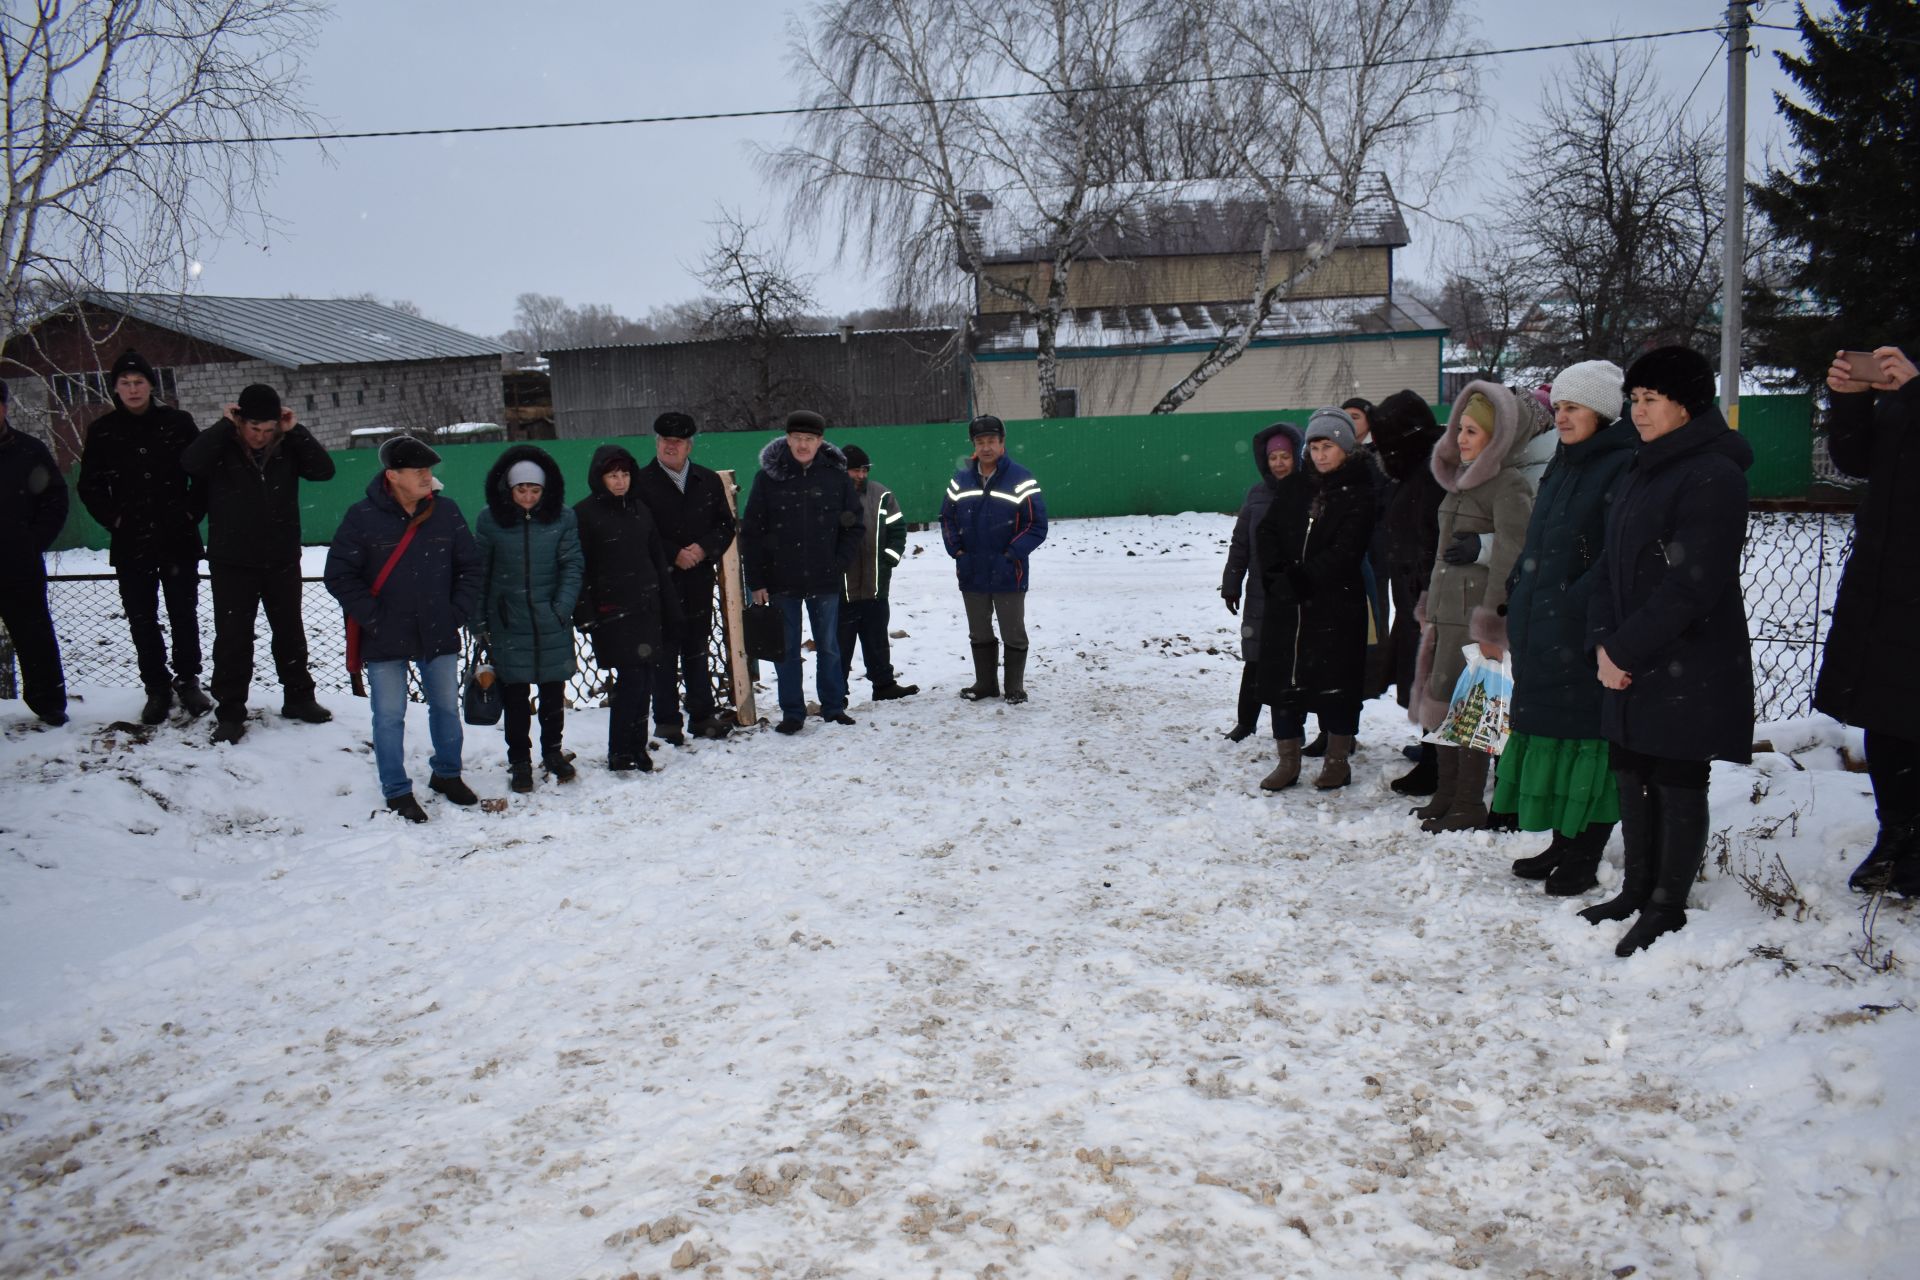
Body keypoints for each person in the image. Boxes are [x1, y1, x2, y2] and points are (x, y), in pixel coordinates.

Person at [1584, 345, 1754, 956]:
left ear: (1687, 404)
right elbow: (1609, 563)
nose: (1639, 412)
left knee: (1679, 773)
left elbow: (1694, 583)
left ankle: (1667, 904)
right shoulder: (1643, 467)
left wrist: (1624, 649)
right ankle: (1636, 888)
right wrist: (1605, 643)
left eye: (1651, 400)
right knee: (1632, 765)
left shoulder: (1713, 474)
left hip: (1688, 657)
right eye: (1634, 400)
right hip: (1632, 655)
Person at [1491, 360, 1635, 893]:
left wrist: (1575, 603)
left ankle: (1586, 848)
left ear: (1601, 411)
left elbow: (1614, 554)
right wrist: (1519, 582)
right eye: (1560, 408)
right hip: (1541, 621)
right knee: (1549, 734)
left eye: (1573, 409)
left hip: (1578, 629)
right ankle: (1561, 839)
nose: (1563, 417)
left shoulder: (1620, 464)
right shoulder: (1564, 462)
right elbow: (1540, 537)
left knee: (1586, 743)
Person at [324, 435, 483, 823]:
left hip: (438, 628)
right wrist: (375, 618)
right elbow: (340, 575)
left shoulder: (446, 513)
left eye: (429, 471)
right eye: (420, 472)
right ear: (393, 476)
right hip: (384, 634)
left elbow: (472, 568)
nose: (429, 477)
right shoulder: (362, 517)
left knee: (446, 708)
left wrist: (456, 612)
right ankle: (396, 789)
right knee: (389, 715)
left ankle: (447, 774)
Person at [1813, 344, 1919, 895]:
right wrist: (1849, 403)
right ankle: (1896, 836)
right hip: (1888, 574)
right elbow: (1858, 462)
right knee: (1887, 714)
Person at [1411, 382, 1539, 832]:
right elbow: (1442, 554)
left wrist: (1492, 621)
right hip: (1447, 615)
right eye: (1459, 429)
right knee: (1442, 703)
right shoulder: (1460, 486)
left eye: (1472, 431)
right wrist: (1430, 604)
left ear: (1496, 438)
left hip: (1476, 621)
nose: (1461, 438)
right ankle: (1447, 793)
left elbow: (1512, 552)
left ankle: (1468, 802)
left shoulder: (1508, 484)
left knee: (1476, 710)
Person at [179, 383, 336, 743]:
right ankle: (231, 712)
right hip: (232, 561)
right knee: (233, 639)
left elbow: (324, 470)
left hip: (281, 557)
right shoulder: (222, 446)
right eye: (253, 429)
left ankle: (299, 698)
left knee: (290, 633)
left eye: (268, 430)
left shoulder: (288, 447)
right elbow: (190, 463)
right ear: (239, 422)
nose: (261, 437)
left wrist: (296, 430)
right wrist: (223, 427)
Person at [76, 350, 210, 724]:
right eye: (124, 383)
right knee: (142, 617)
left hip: (177, 538)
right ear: (115, 389)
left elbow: (202, 473)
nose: (132, 389)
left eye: (138, 382)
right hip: (131, 541)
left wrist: (189, 513)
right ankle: (156, 687)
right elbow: (89, 486)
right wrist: (115, 519)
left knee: (183, 614)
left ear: (151, 385)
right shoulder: (102, 431)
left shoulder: (178, 422)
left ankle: (188, 681)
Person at [1253, 408, 1378, 791]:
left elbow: (1347, 549)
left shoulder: (1360, 489)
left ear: (1345, 447)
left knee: (1336, 684)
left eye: (1329, 446)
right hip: (1287, 605)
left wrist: (1304, 579)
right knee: (1284, 682)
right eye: (1316, 446)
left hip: (1334, 604)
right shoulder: (1295, 486)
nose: (1321, 454)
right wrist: (1278, 577)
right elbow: (1268, 532)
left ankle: (1337, 761)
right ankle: (1287, 760)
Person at [741, 409, 863, 735]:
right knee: (787, 651)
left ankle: (834, 707)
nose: (803, 445)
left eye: (810, 439)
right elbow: (751, 532)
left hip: (825, 579)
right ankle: (792, 713)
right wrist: (756, 580)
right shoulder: (769, 478)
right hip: (781, 581)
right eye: (797, 438)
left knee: (830, 647)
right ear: (788, 439)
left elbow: (854, 525)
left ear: (820, 441)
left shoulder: (835, 477)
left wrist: (838, 563)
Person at [473, 445, 584, 793]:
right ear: (509, 489)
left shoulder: (562, 519)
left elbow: (572, 564)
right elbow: (480, 572)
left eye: (535, 490)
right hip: (508, 623)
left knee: (553, 694)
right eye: (522, 489)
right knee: (515, 699)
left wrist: (561, 607)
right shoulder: (490, 521)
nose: (528, 497)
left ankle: (552, 752)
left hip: (551, 619)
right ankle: (519, 760)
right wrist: (479, 621)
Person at [575, 444, 682, 774]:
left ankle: (637, 745)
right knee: (631, 679)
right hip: (613, 611)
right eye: (612, 475)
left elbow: (656, 559)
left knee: (647, 676)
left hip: (647, 605)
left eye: (624, 474)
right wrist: (586, 612)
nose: (619, 481)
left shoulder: (640, 509)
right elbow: (580, 567)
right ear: (600, 477)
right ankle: (620, 749)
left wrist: (669, 604)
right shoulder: (585, 513)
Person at [633, 412, 738, 744]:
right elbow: (638, 530)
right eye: (665, 441)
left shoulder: (706, 481)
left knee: (697, 647)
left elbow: (725, 525)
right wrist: (672, 552)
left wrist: (703, 549)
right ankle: (666, 719)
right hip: (660, 581)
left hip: (697, 579)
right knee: (663, 649)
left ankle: (702, 714)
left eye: (677, 442)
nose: (670, 447)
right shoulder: (641, 482)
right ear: (657, 442)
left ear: (689, 445)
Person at [1370, 390, 1448, 795]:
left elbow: (1432, 538)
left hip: (1429, 597)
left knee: (1440, 681)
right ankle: (1432, 752)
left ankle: (1440, 764)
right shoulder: (1418, 469)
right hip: (1415, 596)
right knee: (1426, 680)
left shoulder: (1433, 473)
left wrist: (1423, 590)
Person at [940, 414, 1048, 703]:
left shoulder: (1021, 478)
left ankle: (1014, 687)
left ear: (1002, 443)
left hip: (1007, 570)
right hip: (972, 570)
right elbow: (947, 518)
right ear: (974, 445)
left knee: (1013, 632)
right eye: (980, 442)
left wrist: (1011, 553)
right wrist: (957, 551)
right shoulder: (961, 479)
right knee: (979, 632)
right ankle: (985, 684)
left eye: (991, 441)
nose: (986, 447)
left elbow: (1036, 525)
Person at [1221, 421, 1304, 741]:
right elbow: (1240, 543)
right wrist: (1231, 583)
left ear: (1296, 456)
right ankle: (1246, 722)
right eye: (1273, 457)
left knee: (1292, 664)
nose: (1279, 463)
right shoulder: (1256, 495)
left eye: (1285, 456)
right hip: (1259, 592)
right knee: (1254, 660)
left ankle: (1292, 728)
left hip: (1296, 593)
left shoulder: (1308, 492)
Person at [0, 381, 70, 726]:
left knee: (35, 635)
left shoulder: (28, 451)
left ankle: (49, 703)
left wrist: (34, 541)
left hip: (19, 563)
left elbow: (55, 499)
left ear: (5, 408)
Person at [838, 444, 918, 701]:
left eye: (864, 470)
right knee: (840, 644)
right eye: (855, 471)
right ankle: (837, 692)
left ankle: (884, 685)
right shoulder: (831, 496)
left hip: (875, 585)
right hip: (842, 590)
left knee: (877, 640)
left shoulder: (882, 495)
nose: (861, 475)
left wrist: (889, 561)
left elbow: (898, 531)